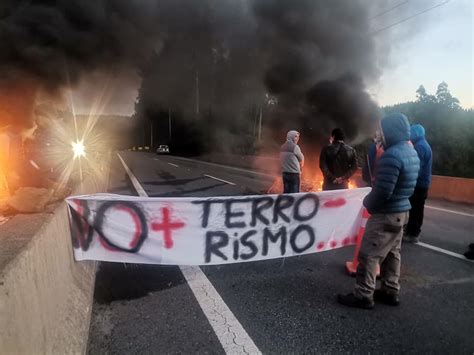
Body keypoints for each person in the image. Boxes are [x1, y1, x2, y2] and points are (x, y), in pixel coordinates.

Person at [338, 113, 420, 309]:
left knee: (368, 254)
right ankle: (390, 290)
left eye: (381, 130)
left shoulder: (391, 156)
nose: (379, 134)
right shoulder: (411, 152)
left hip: (386, 214)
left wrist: (367, 203)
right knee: (393, 253)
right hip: (402, 211)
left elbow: (383, 191)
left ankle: (363, 295)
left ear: (390, 131)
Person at [404, 124, 432, 243]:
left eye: (411, 133)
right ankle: (411, 231)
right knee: (416, 208)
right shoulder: (423, 145)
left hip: (419, 184)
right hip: (422, 183)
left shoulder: (420, 147)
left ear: (416, 134)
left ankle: (413, 234)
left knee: (415, 209)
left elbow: (416, 168)